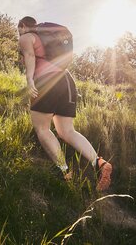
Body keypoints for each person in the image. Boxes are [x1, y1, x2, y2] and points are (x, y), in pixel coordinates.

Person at [18, 16, 112, 191]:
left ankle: (65, 174)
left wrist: (29, 79)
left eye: (19, 29)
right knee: (67, 131)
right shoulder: (49, 37)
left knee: (43, 129)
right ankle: (99, 163)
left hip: (46, 81)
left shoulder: (26, 37)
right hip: (67, 81)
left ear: (23, 26)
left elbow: (30, 55)